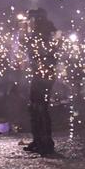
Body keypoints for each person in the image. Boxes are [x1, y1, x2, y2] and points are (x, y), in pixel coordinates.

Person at [20, 8, 58, 155]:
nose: (30, 23)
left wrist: (27, 40)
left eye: (31, 20)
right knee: (35, 106)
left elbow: (41, 52)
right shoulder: (42, 32)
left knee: (40, 107)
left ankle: (46, 142)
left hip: (44, 74)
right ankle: (38, 140)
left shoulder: (45, 33)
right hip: (40, 73)